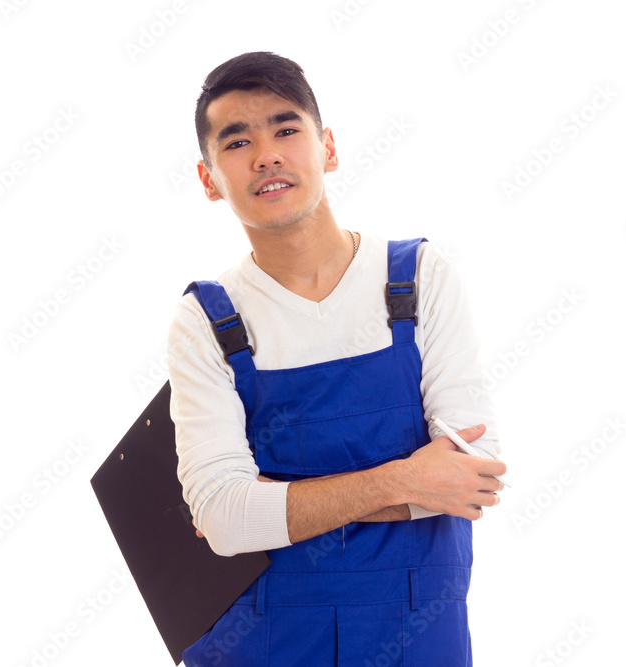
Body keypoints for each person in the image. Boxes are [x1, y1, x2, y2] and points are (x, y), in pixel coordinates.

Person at [166, 51, 507, 667]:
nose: (267, 154)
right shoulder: (207, 322)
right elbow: (223, 519)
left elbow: (472, 476)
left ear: (328, 147)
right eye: (237, 141)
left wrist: (275, 501)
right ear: (209, 179)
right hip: (266, 644)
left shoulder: (420, 280)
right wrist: (406, 479)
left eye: (286, 129)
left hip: (419, 637)